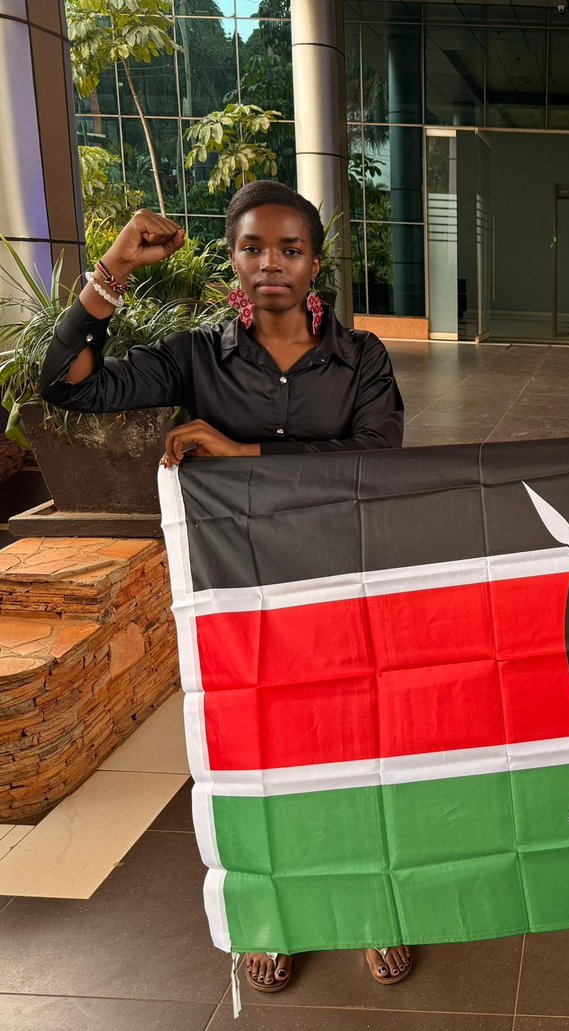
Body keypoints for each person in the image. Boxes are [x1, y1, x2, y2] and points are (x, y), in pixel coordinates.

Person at [40, 181, 410, 993]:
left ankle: (375, 905)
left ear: (316, 263)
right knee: (260, 763)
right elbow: (69, 386)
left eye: (289, 249)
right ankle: (270, 914)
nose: (270, 263)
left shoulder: (363, 359)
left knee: (356, 751)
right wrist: (110, 269)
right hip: (239, 600)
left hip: (339, 585)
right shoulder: (194, 358)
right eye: (252, 247)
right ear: (232, 259)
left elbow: (375, 465)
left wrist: (244, 457)